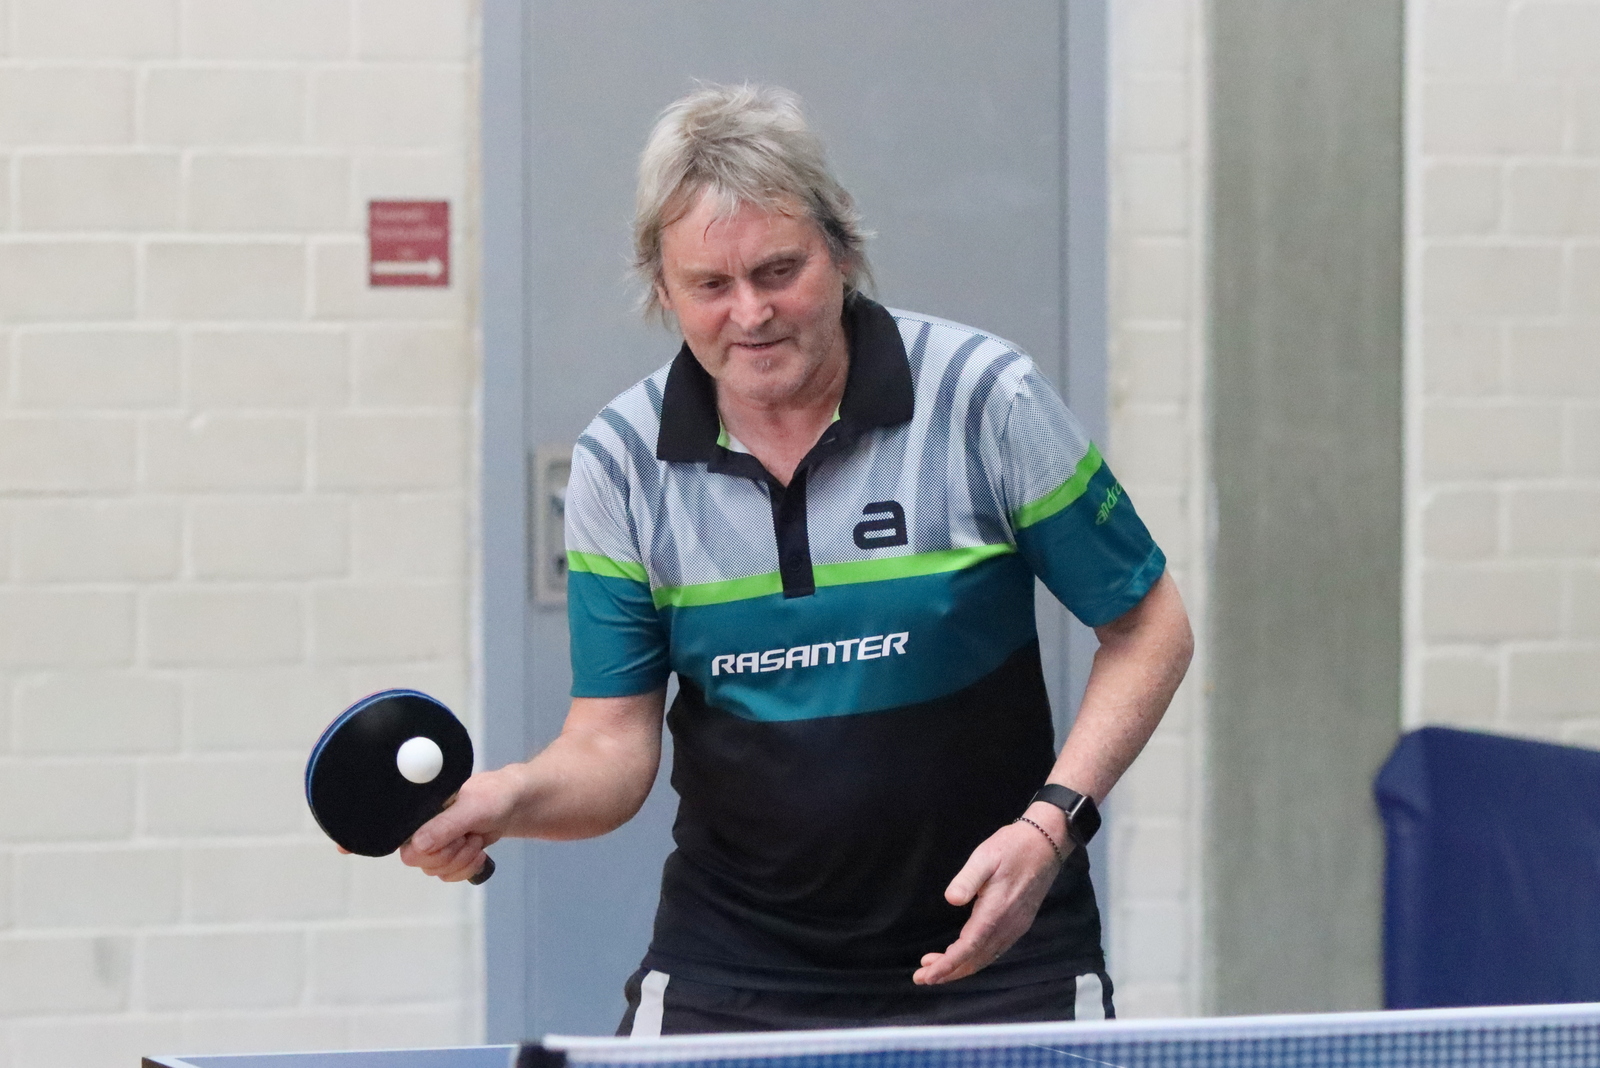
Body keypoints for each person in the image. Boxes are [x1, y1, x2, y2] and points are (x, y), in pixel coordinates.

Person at [403, 83, 1193, 1035]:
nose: (752, 313)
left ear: (842, 247)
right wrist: (511, 797)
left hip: (1001, 954)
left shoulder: (984, 399)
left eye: (780, 270)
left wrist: (1051, 824)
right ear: (662, 288)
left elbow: (1149, 625)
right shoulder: (621, 461)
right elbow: (610, 746)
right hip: (734, 966)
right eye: (710, 285)